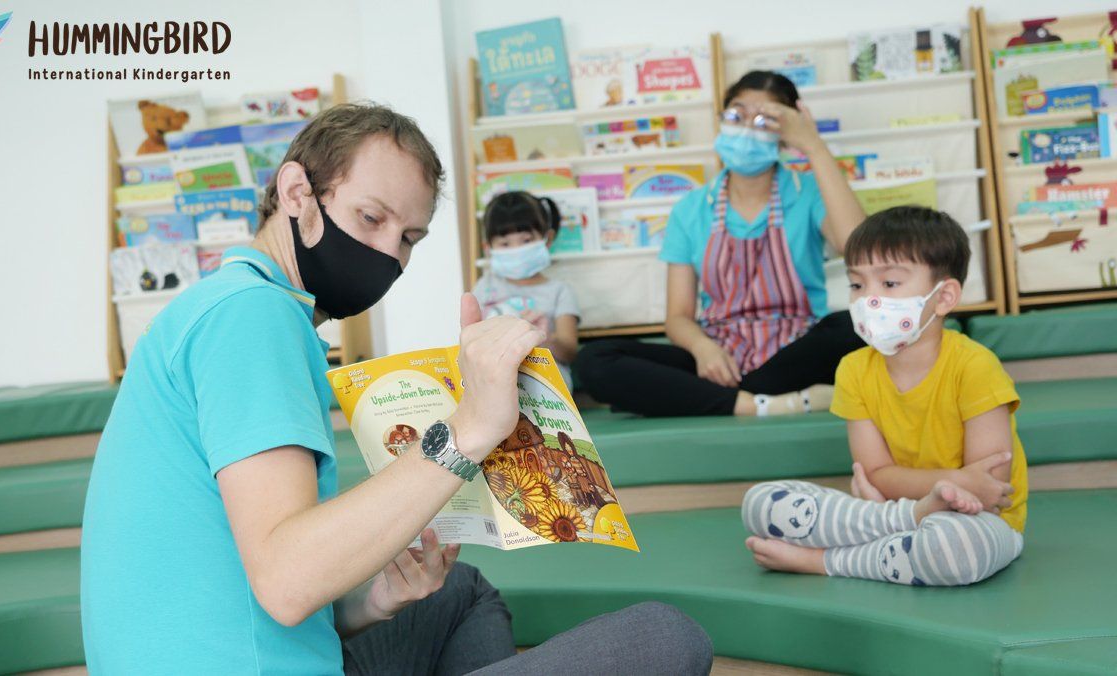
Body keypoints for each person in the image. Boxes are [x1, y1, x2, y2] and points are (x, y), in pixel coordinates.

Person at [80, 103, 711, 675]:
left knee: (459, 589)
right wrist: (470, 427)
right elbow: (287, 580)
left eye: (408, 238)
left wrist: (375, 601)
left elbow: (258, 583)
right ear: (297, 191)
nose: (388, 254)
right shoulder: (253, 314)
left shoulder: (230, 304)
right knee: (666, 638)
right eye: (371, 217)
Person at [742, 206, 1027, 587]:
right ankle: (894, 533)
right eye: (857, 285)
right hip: (891, 514)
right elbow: (876, 474)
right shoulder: (854, 369)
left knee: (952, 548)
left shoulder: (975, 366)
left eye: (889, 284)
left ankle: (824, 561)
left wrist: (915, 496)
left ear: (944, 298)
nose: (868, 299)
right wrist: (927, 499)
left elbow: (988, 487)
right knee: (761, 504)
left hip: (978, 523)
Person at [573, 71, 867, 417]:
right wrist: (703, 349)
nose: (746, 128)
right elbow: (679, 317)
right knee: (593, 360)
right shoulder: (691, 209)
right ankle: (761, 402)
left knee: (856, 326)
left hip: (795, 351)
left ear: (787, 132)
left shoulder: (809, 192)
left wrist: (814, 146)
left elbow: (859, 251)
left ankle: (715, 399)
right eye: (736, 115)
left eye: (765, 119)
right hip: (720, 355)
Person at [472, 190, 580, 389]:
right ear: (488, 248)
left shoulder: (560, 291)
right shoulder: (484, 286)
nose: (516, 249)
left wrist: (541, 338)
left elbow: (569, 351)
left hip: (545, 380)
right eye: (505, 243)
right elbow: (471, 339)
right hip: (494, 378)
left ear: (547, 239)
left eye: (526, 240)